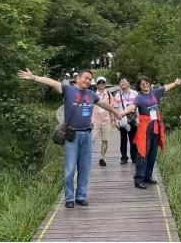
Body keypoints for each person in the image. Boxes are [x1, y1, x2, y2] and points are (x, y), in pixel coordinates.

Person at [17, 68, 120, 208]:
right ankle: (69, 198)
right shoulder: (68, 90)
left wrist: (115, 111)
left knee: (85, 168)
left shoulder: (91, 94)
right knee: (70, 168)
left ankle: (81, 196)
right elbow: (52, 83)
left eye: (90, 79)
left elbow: (102, 104)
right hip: (72, 135)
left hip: (87, 135)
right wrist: (34, 77)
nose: (88, 81)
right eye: (85, 78)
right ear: (78, 79)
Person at [120, 76, 181, 189]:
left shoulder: (155, 93)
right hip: (145, 128)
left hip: (156, 126)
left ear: (149, 83)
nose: (145, 85)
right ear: (139, 86)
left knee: (153, 153)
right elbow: (132, 107)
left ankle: (148, 176)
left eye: (146, 83)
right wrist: (122, 113)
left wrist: (176, 83)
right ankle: (138, 179)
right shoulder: (139, 97)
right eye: (142, 84)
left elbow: (166, 87)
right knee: (143, 153)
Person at [114, 76, 139, 164]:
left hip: (132, 119)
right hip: (122, 120)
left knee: (133, 139)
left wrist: (138, 119)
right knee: (123, 139)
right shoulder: (117, 95)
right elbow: (116, 109)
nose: (122, 83)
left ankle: (134, 157)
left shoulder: (135, 93)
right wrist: (116, 121)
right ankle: (124, 157)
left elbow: (138, 107)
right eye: (121, 82)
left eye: (124, 81)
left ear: (128, 83)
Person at [92, 76, 115, 166]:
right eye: (99, 82)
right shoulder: (93, 94)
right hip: (95, 121)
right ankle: (88, 157)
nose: (101, 84)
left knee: (105, 140)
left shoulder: (109, 94)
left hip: (106, 121)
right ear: (97, 84)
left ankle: (102, 158)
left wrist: (113, 119)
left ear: (105, 84)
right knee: (91, 140)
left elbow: (111, 108)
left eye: (103, 82)